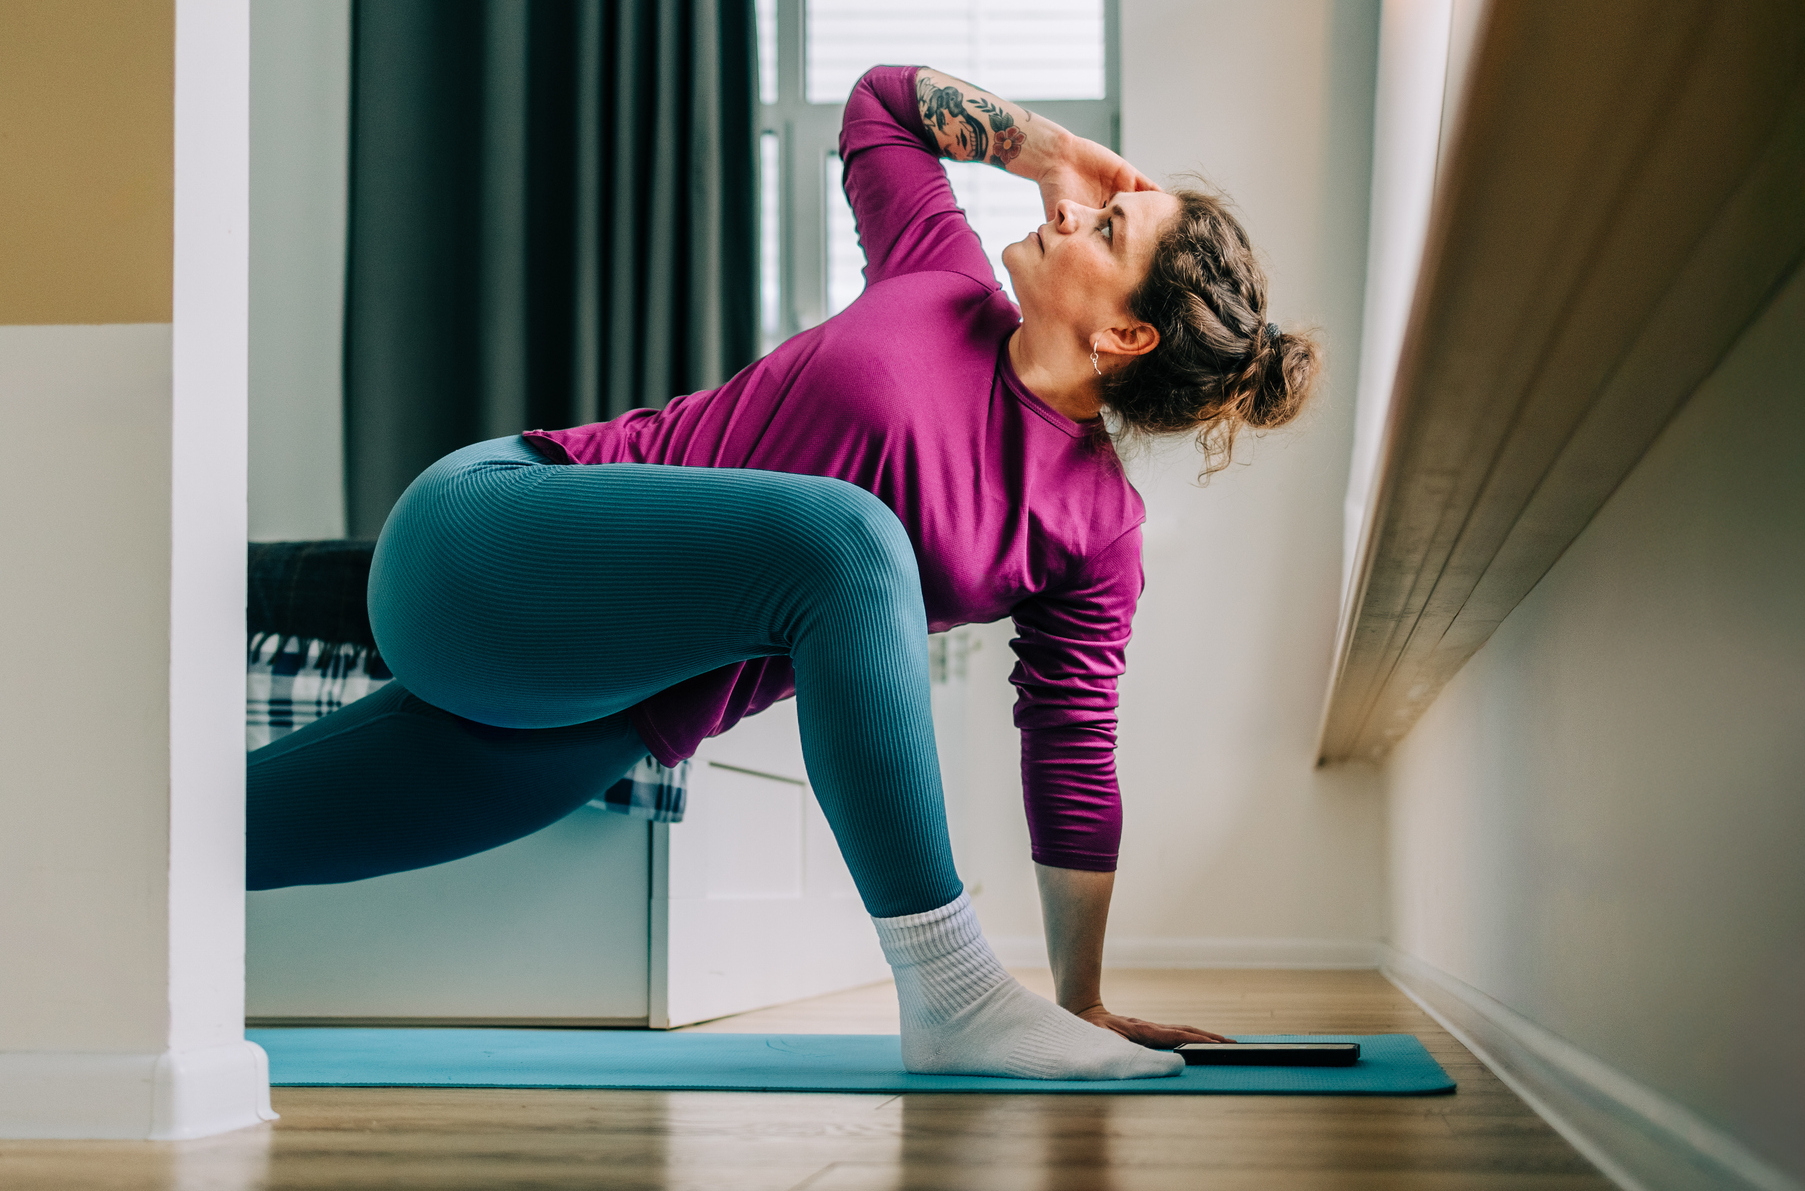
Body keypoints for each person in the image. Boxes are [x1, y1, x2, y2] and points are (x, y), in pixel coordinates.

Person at [248, 64, 1318, 1082]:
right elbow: (880, 104)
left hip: (577, 722)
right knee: (850, 538)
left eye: (1106, 228)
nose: (1071, 212)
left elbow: (1071, 743)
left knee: (213, 843)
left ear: (1126, 331)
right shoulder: (938, 275)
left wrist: (1077, 1002)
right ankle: (948, 993)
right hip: (490, 536)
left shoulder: (1093, 526)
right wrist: (1047, 148)